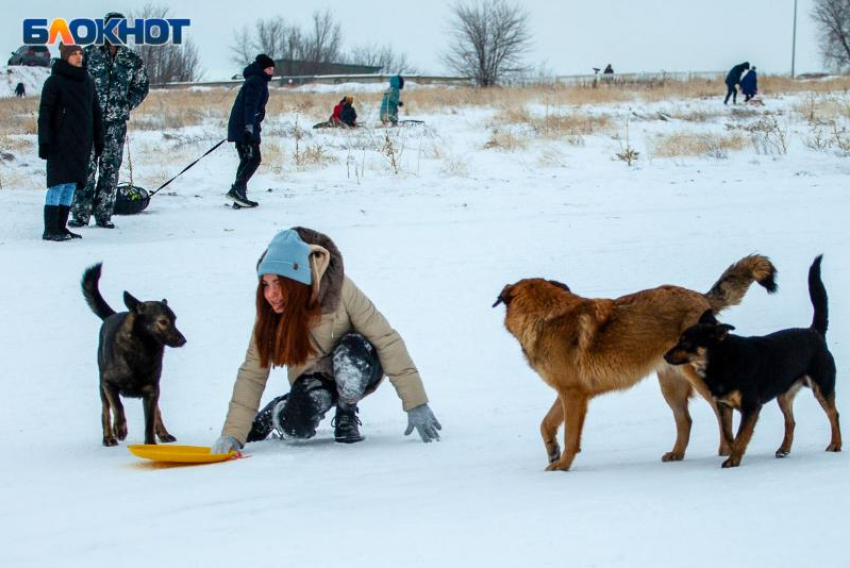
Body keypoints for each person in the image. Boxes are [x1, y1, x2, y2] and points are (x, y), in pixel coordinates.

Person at [211, 227, 442, 453]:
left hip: (358, 361)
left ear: (298, 281)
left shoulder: (340, 289)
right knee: (297, 428)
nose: (270, 294)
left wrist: (416, 402)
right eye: (265, 284)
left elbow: (386, 340)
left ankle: (346, 410)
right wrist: (232, 433)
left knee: (350, 355)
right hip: (313, 376)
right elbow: (252, 372)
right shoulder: (272, 313)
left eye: (279, 284)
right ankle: (280, 410)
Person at [69, 12, 148, 230]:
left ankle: (104, 214)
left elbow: (142, 86)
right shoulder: (88, 55)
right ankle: (80, 214)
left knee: (110, 169)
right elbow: (73, 83)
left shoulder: (132, 59)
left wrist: (126, 104)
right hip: (89, 123)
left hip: (115, 125)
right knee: (86, 168)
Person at [37, 44, 103, 241]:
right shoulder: (54, 81)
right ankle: (50, 229)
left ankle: (61, 227)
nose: (78, 57)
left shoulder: (87, 81)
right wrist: (45, 141)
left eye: (80, 53)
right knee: (57, 184)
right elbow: (45, 113)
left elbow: (96, 113)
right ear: (65, 57)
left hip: (81, 142)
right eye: (74, 54)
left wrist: (98, 140)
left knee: (71, 185)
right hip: (59, 141)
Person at [226, 53, 274, 208]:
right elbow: (250, 105)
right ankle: (237, 190)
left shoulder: (254, 80)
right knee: (254, 159)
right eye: (268, 68)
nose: (271, 72)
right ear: (261, 69)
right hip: (245, 127)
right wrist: (248, 126)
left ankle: (239, 196)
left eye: (272, 68)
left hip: (243, 125)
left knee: (246, 159)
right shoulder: (256, 82)